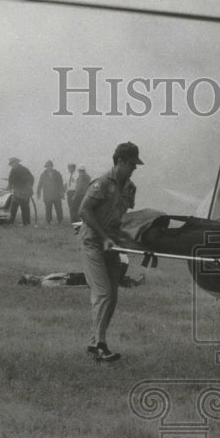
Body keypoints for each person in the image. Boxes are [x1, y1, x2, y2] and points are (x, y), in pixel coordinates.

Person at [78, 142, 142, 362]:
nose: (134, 168)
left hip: (112, 246)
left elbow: (123, 217)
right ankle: (100, 345)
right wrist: (103, 236)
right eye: (132, 164)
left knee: (112, 297)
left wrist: (132, 242)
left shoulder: (131, 187)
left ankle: (94, 342)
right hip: (93, 243)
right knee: (103, 292)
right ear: (120, 161)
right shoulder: (102, 183)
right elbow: (84, 210)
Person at [7, 157, 35, 225]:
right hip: (19, 193)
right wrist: (9, 186)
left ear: (17, 162)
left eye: (13, 163)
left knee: (22, 209)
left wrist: (28, 188)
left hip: (23, 193)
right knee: (15, 209)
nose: (12, 165)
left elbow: (31, 179)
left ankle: (25, 224)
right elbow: (10, 181)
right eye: (11, 164)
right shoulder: (14, 170)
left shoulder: (23, 170)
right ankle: (12, 223)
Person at [36, 160, 65, 224]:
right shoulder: (43, 175)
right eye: (47, 166)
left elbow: (61, 184)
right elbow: (40, 184)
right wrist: (38, 193)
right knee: (48, 208)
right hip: (47, 195)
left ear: (52, 166)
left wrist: (62, 193)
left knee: (58, 208)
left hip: (56, 195)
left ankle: (60, 220)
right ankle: (49, 221)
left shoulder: (57, 174)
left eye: (50, 166)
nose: (49, 168)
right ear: (46, 167)